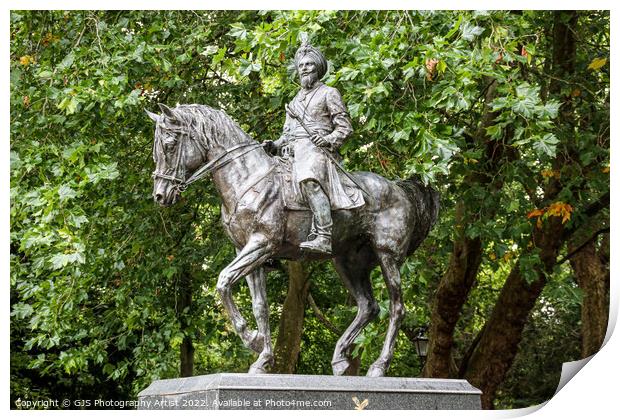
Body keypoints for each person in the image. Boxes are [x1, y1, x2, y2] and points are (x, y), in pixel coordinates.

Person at [265, 40, 363, 255]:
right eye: (301, 65)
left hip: (318, 151)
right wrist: (274, 145)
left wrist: (328, 139)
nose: (304, 68)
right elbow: (287, 134)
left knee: (309, 179)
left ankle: (324, 236)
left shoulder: (329, 93)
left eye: (309, 64)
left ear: (318, 67)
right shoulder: (294, 100)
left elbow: (345, 127)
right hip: (292, 152)